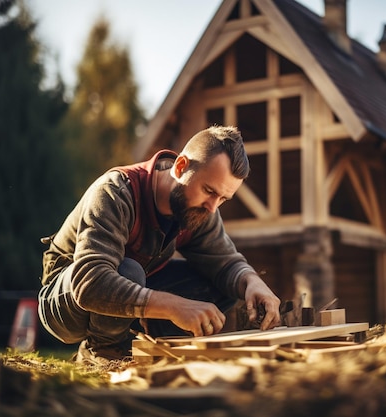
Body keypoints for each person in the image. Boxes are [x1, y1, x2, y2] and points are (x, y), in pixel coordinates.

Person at [38, 125, 281, 365]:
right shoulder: (115, 192)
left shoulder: (203, 210)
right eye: (208, 190)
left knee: (225, 285)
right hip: (65, 300)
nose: (213, 207)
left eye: (223, 198)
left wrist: (251, 281)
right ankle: (102, 352)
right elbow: (89, 283)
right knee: (129, 271)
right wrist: (173, 306)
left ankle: (158, 347)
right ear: (181, 166)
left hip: (134, 289)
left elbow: (226, 263)